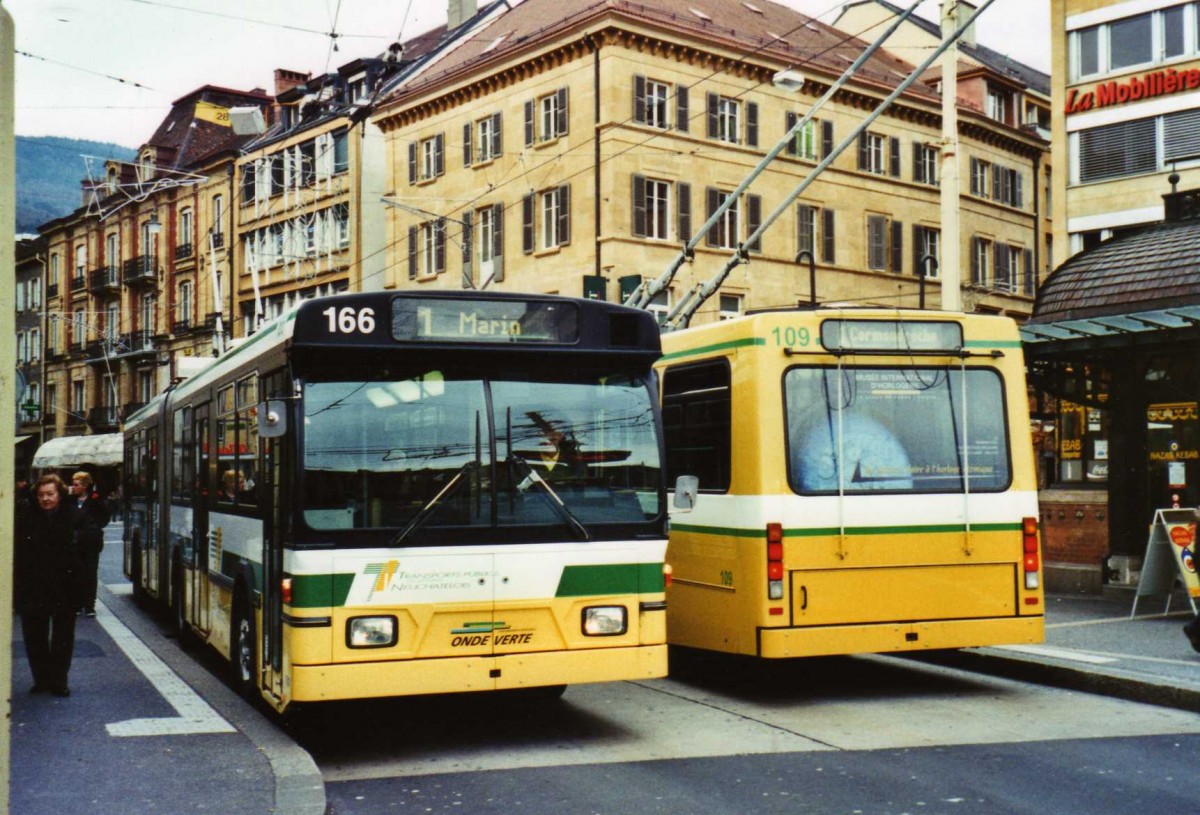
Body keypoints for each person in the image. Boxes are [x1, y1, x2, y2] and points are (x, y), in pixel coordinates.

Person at [15, 474, 84, 696]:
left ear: (59, 495)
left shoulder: (75, 516)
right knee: (35, 635)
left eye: (50, 494)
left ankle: (59, 680)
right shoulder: (25, 518)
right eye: (41, 495)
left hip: (65, 585)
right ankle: (41, 679)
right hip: (33, 586)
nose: (45, 499)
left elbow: (88, 550)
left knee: (63, 636)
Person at [71, 471, 110, 617]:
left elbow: (105, 516)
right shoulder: (71, 500)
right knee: (76, 572)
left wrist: (94, 527)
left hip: (91, 541)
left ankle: (89, 605)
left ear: (85, 486)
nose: (73, 487)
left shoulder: (95, 499)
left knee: (90, 572)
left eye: (76, 484)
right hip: (75, 541)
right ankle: (77, 603)